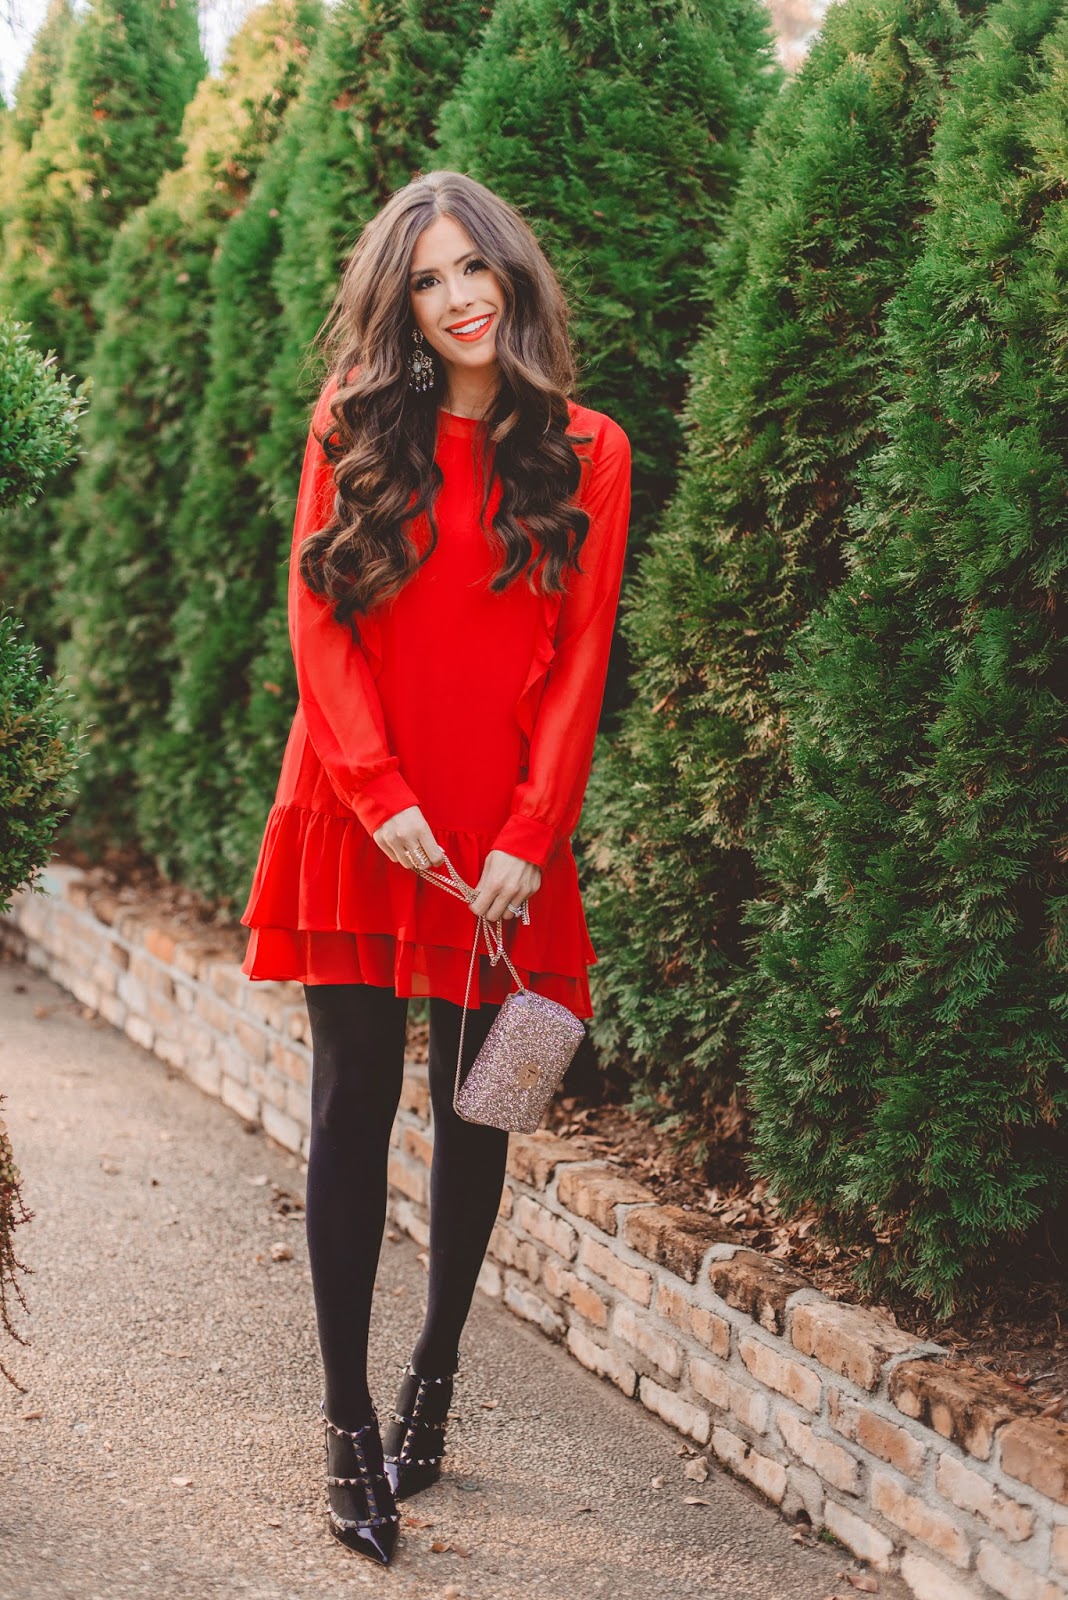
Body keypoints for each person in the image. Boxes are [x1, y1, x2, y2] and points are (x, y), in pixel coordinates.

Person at [238, 168, 632, 1567]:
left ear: (515, 278)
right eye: (428, 279)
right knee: (350, 1106)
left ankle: (436, 1378)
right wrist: (373, 787)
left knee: (484, 1109)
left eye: (479, 269)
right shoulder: (350, 426)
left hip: (501, 836)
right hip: (359, 812)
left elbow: (583, 655)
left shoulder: (588, 449)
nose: (460, 296)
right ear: (397, 301)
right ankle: (347, 1426)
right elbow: (319, 618)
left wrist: (532, 834)